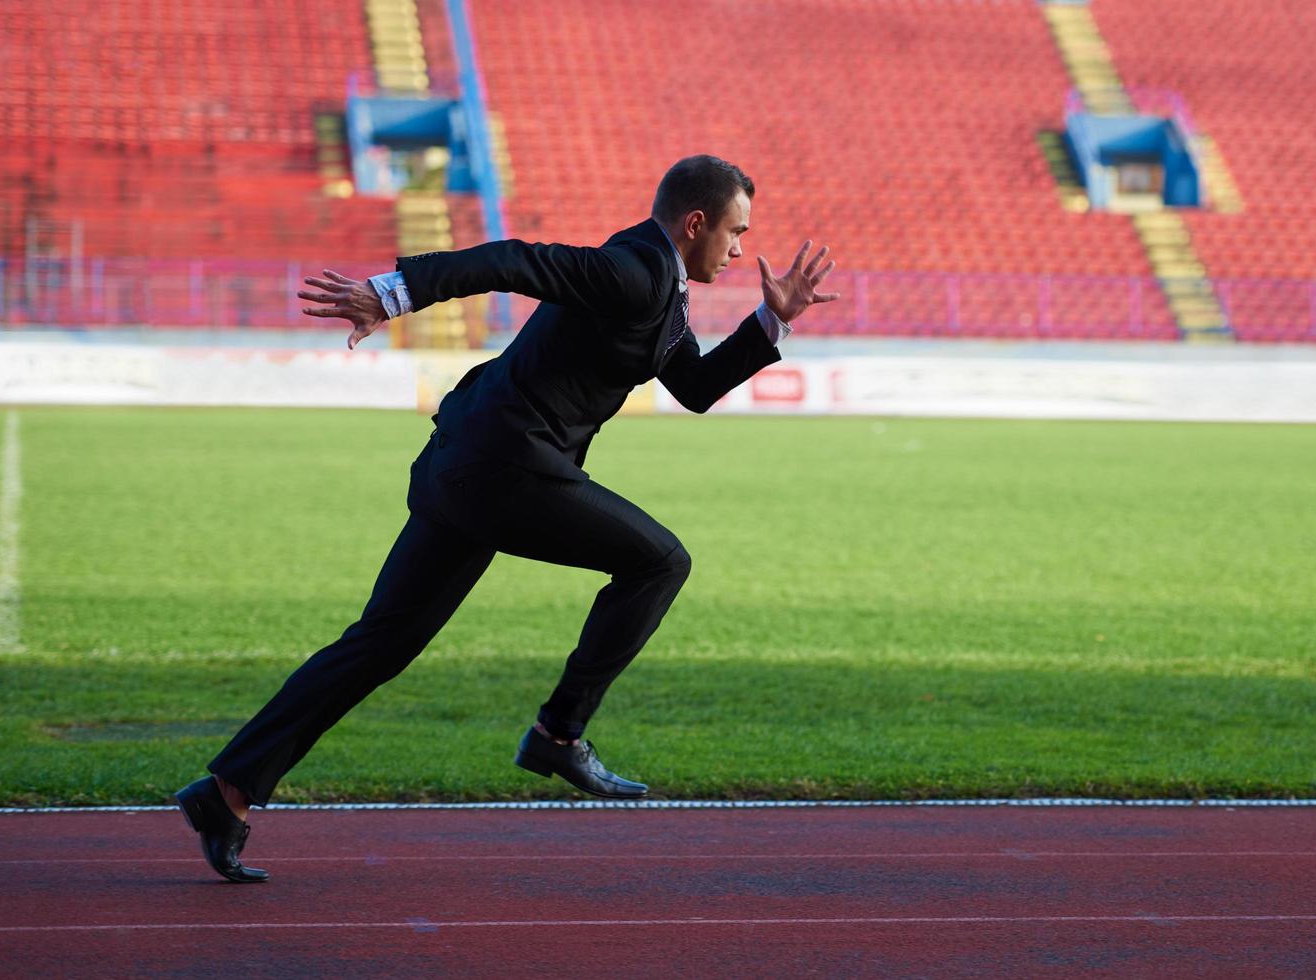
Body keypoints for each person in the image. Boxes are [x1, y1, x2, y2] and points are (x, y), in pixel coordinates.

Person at [174, 155, 839, 883]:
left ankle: (227, 793)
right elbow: (509, 259)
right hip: (504, 468)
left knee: (379, 644)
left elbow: (697, 385)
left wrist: (774, 318)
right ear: (695, 223)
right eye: (736, 233)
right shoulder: (633, 272)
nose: (740, 250)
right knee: (659, 561)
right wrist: (391, 294)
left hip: (467, 467)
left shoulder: (664, 292)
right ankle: (559, 733)